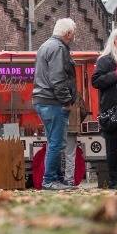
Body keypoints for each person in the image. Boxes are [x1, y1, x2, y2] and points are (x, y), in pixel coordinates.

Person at [33, 18, 78, 190]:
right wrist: (66, 101)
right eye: (73, 33)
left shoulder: (45, 46)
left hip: (44, 100)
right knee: (57, 143)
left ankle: (57, 179)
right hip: (53, 102)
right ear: (68, 33)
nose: (74, 36)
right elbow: (58, 78)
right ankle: (50, 180)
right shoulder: (59, 48)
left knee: (55, 142)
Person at [92, 28, 117, 189]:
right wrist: (116, 74)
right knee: (113, 149)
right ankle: (114, 181)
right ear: (113, 41)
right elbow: (96, 81)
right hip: (112, 110)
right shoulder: (105, 60)